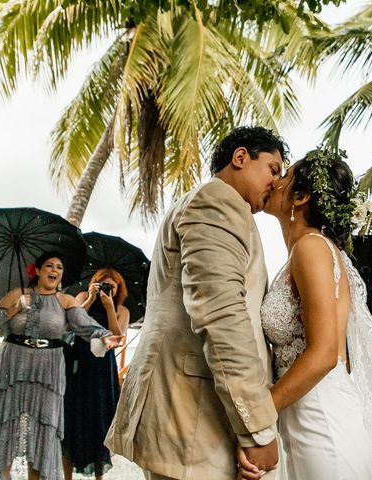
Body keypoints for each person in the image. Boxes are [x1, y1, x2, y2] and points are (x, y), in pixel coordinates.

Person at [240, 148, 372, 479]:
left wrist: (257, 416)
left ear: (300, 197)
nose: (274, 181)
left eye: (284, 176)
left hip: (324, 424)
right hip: (306, 420)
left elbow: (324, 354)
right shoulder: (308, 251)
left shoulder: (312, 248)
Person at [105, 126, 287, 480]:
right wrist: (258, 429)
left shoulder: (210, 204)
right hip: (189, 412)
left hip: (187, 407)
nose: (277, 183)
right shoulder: (217, 202)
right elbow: (221, 315)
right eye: (273, 169)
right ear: (240, 157)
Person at [0, 252, 122, 480]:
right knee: (4, 431)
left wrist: (104, 336)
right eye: (49, 265)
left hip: (48, 370)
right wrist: (15, 307)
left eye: (59, 267)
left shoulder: (66, 301)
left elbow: (85, 326)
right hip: (11, 366)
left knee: (41, 435)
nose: (54, 270)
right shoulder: (17, 294)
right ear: (37, 271)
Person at [62, 268, 130, 479]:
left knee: (99, 420)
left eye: (112, 286)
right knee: (71, 419)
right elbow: (69, 325)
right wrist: (91, 298)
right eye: (103, 284)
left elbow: (117, 340)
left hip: (102, 368)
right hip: (77, 363)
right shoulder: (82, 297)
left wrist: (110, 308)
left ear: (119, 289)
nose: (107, 288)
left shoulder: (122, 310)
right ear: (94, 283)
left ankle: (99, 476)